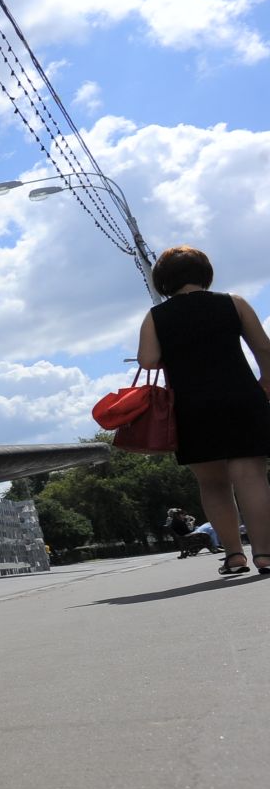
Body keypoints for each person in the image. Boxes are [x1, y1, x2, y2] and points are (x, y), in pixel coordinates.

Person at [136, 246, 270, 577]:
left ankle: (234, 556)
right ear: (205, 273)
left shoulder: (156, 317)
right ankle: (265, 555)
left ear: (163, 281)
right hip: (241, 396)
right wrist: (266, 381)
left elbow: (148, 360)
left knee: (213, 484)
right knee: (252, 477)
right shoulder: (233, 303)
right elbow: (263, 347)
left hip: (192, 406)